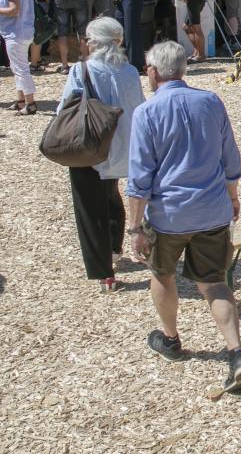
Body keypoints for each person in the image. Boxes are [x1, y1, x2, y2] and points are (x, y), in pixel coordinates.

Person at [126, 42, 241, 391]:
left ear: (153, 72)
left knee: (162, 274)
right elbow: (230, 155)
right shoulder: (210, 101)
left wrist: (135, 226)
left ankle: (170, 338)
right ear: (183, 69)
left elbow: (140, 179)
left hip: (170, 215)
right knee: (214, 282)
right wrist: (232, 196)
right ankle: (236, 352)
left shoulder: (147, 113)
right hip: (213, 208)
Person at [58, 18, 146, 292]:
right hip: (120, 145)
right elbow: (137, 108)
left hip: (89, 145)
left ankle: (103, 270)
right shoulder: (130, 71)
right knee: (110, 194)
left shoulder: (82, 70)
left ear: (95, 42)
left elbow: (65, 108)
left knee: (89, 207)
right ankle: (114, 249)